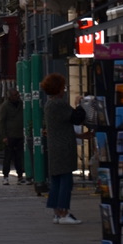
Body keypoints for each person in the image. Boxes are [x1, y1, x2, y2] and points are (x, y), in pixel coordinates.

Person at [40, 72, 86, 224]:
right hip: (63, 148)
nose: (64, 90)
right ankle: (63, 212)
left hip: (54, 146)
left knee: (57, 180)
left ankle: (57, 213)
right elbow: (76, 118)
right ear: (58, 88)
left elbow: (60, 126)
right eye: (63, 87)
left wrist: (81, 137)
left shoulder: (49, 104)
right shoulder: (59, 104)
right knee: (66, 181)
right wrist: (80, 104)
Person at [0, 87, 26, 185]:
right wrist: (4, 136)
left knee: (19, 157)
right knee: (8, 157)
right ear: (10, 96)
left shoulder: (21, 104)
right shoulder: (5, 106)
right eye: (15, 95)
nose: (17, 97)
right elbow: (1, 121)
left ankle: (20, 176)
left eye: (17, 95)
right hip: (10, 135)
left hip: (19, 134)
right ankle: (5, 176)